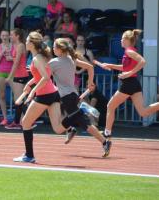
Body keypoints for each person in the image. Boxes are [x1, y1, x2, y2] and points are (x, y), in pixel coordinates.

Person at [12, 32, 103, 163]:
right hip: (53, 93)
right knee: (58, 128)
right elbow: (45, 74)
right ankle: (80, 112)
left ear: (32, 44)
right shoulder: (40, 57)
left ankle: (29, 155)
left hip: (44, 95)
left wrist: (32, 92)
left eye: (27, 41)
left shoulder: (37, 58)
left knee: (26, 122)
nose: (25, 43)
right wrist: (29, 83)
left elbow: (45, 77)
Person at [49, 38, 111, 154]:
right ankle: (103, 141)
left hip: (67, 97)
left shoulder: (54, 62)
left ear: (60, 49)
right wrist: (90, 82)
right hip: (72, 95)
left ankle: (77, 122)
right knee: (83, 123)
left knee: (76, 123)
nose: (52, 49)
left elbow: (44, 74)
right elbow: (90, 67)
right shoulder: (71, 59)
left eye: (54, 47)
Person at [100, 29, 159, 138]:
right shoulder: (128, 51)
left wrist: (129, 73)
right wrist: (110, 65)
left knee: (110, 106)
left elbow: (143, 61)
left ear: (128, 40)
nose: (121, 40)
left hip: (128, 84)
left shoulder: (129, 51)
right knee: (143, 112)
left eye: (123, 38)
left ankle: (107, 133)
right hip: (134, 83)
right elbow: (125, 67)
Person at [5, 28, 29, 129]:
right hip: (19, 74)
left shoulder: (20, 45)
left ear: (17, 36)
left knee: (18, 100)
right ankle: (21, 121)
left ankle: (24, 121)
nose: (10, 36)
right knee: (18, 100)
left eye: (11, 35)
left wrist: (9, 77)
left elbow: (17, 62)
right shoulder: (17, 46)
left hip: (21, 75)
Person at [0, 30, 13, 126]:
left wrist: (11, 58)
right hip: (1, 72)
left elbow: (19, 59)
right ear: (0, 37)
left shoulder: (14, 46)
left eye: (6, 35)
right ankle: (5, 118)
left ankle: (19, 117)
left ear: (9, 36)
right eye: (3, 35)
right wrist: (2, 52)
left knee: (17, 96)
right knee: (2, 95)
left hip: (12, 72)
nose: (4, 37)